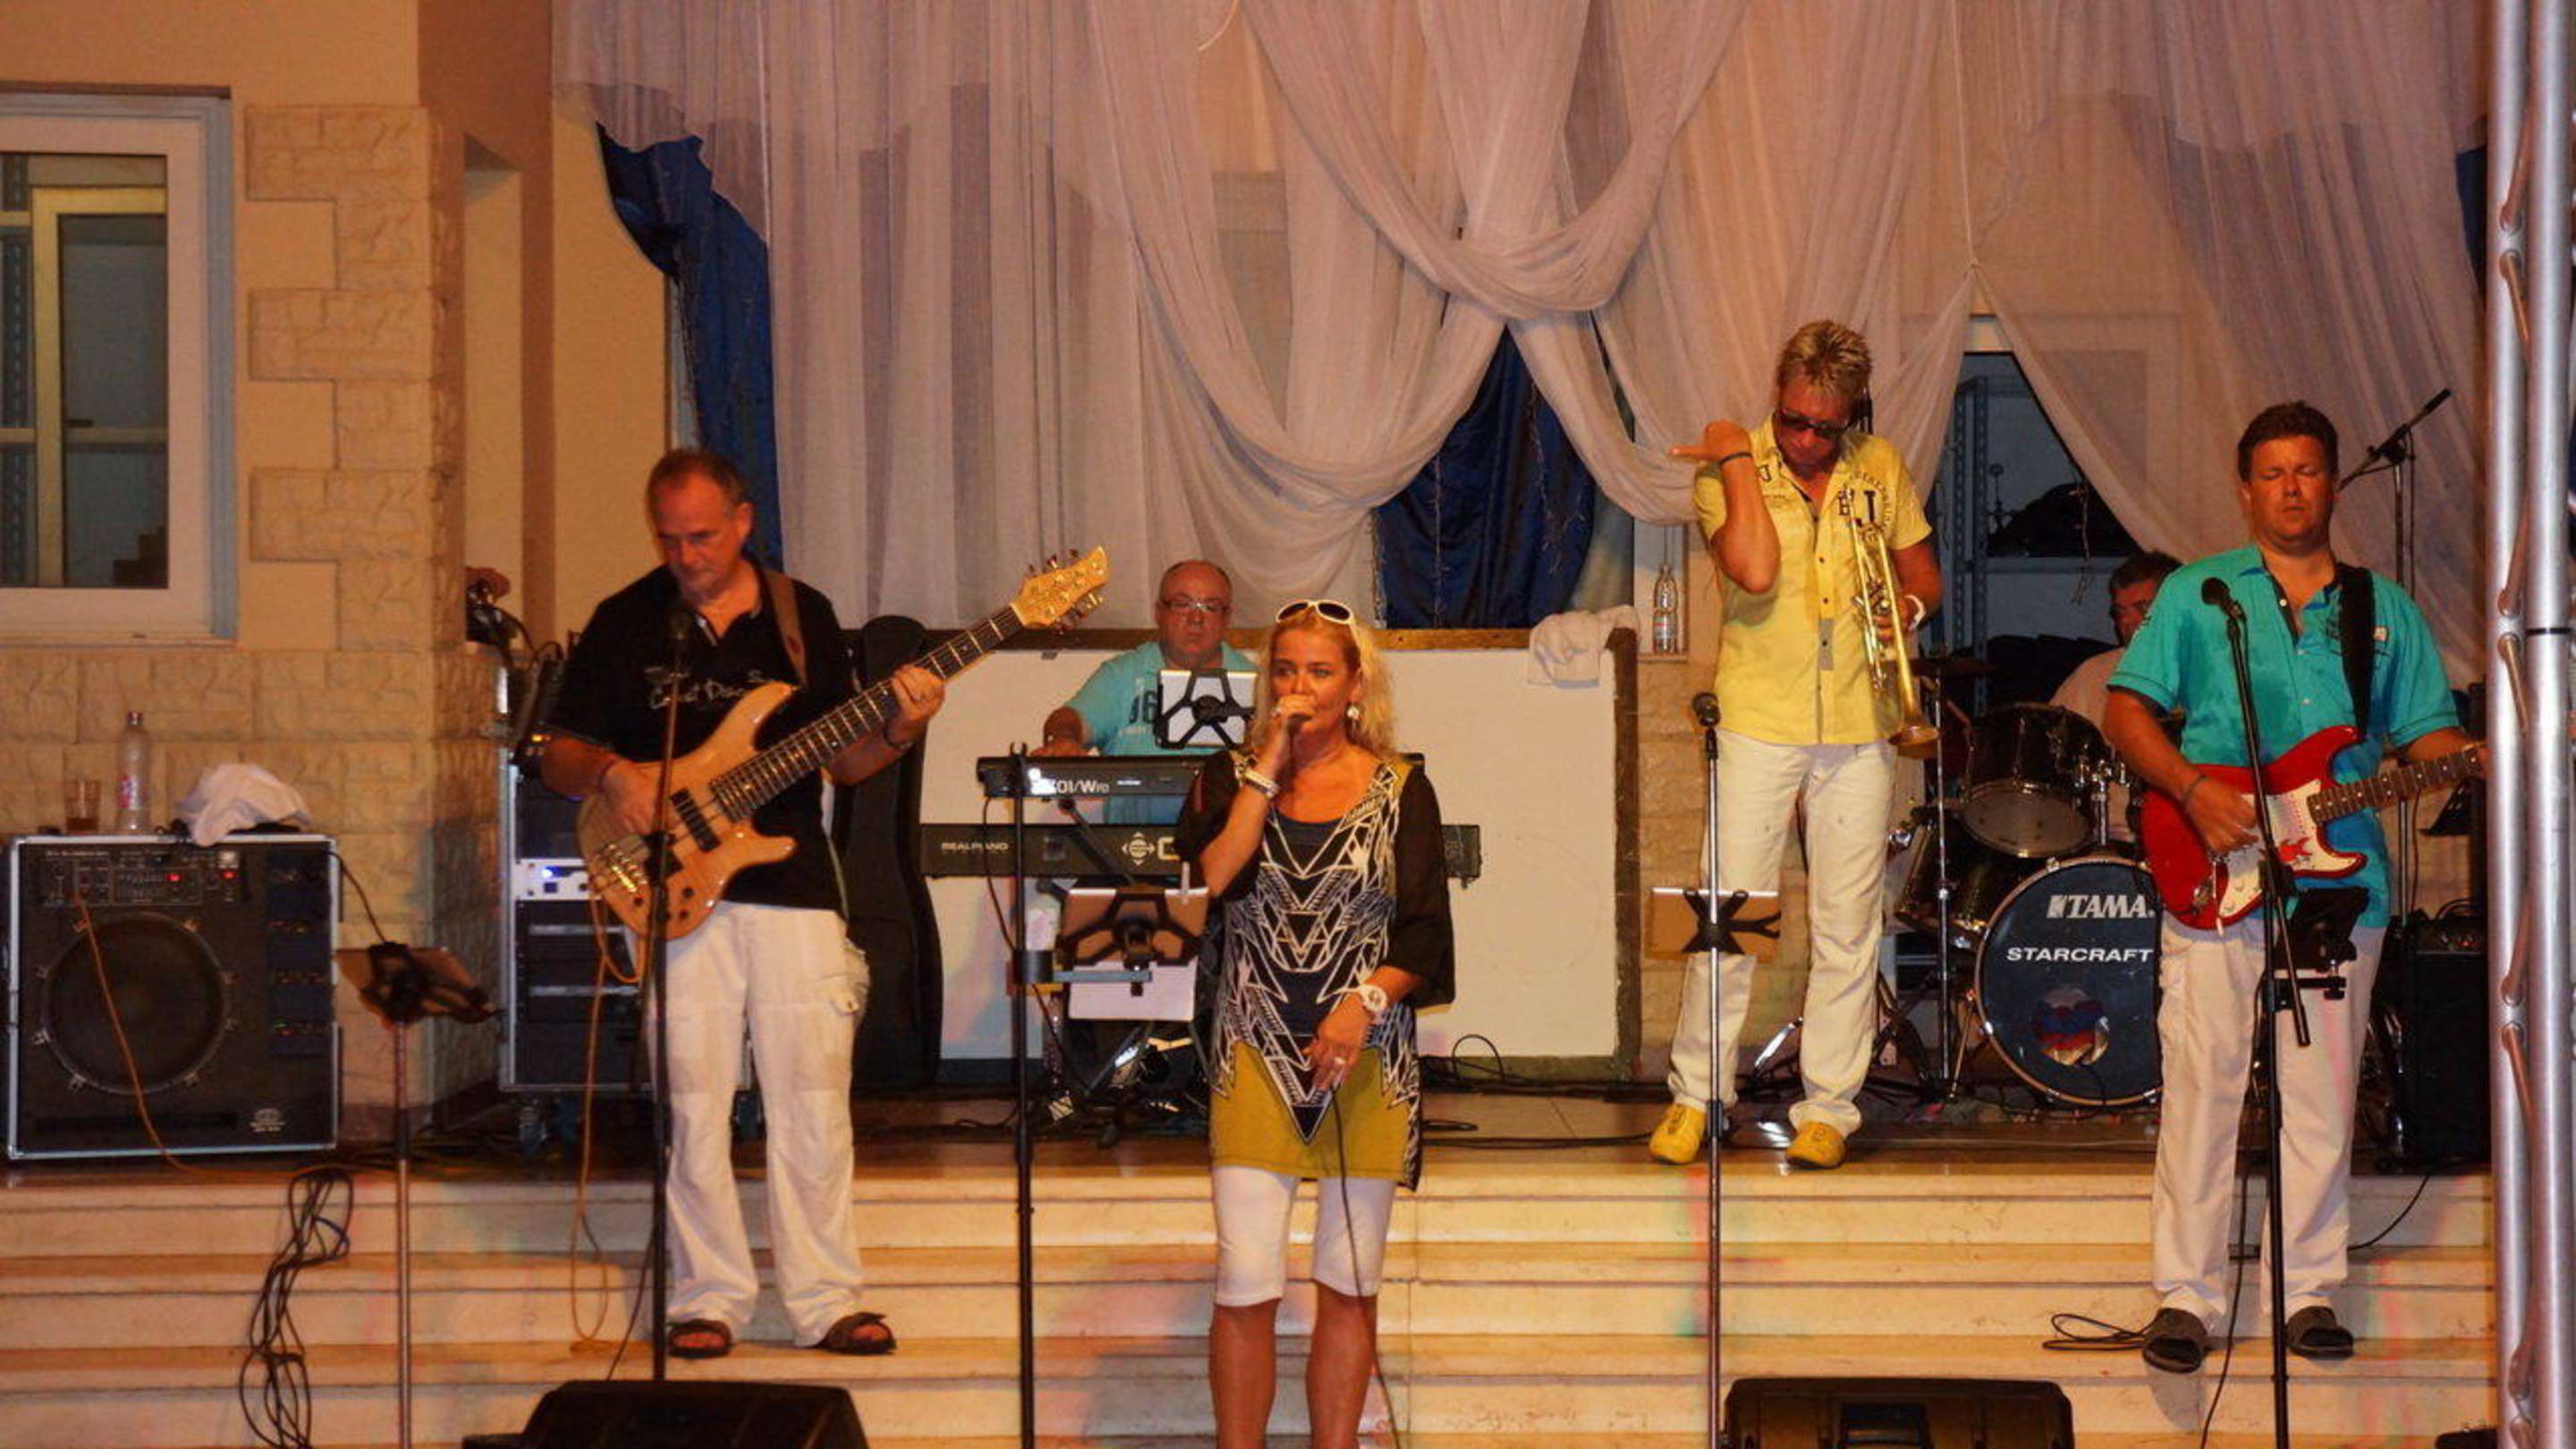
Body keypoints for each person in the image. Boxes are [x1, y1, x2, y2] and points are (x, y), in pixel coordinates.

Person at [540, 447, 946, 1361]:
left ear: (743, 521)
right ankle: (708, 1298)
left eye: (702, 537)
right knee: (692, 1102)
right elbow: (559, 754)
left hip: (791, 885)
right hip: (671, 887)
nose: (686, 556)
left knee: (813, 1100)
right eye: (669, 539)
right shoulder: (627, 619)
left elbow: (846, 762)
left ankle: (827, 1300)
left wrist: (901, 726)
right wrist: (612, 774)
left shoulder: (803, 617)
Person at [2102, 402, 2475, 1374]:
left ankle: (2307, 1292)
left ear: (2333, 483)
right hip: (2216, 862)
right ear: (2246, 489)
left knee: (2322, 1090)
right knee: (2204, 1081)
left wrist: (2480, 754)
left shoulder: (2382, 610)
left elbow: (2425, 736)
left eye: (2307, 470)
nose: (2292, 488)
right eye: (2273, 473)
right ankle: (2185, 1298)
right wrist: (2193, 791)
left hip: (2342, 882)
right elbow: (2126, 712)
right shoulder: (2200, 595)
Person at [1652, 320, 1943, 1171]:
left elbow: (1924, 576)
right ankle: (1697, 1095)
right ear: (1776, 400)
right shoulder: (1727, 464)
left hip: (1859, 721)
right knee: (1725, 914)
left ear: (1853, 414)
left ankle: (1830, 1107)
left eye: (1826, 426)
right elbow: (1753, 570)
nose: (1808, 441)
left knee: (1850, 925)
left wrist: (1908, 610)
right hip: (1758, 718)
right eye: (1792, 420)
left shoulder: (1879, 467)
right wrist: (1740, 460)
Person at [1174, 599, 1454, 1449]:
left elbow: (1425, 933)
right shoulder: (1226, 777)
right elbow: (1206, 887)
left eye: (1320, 671)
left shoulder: (1402, 787)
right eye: (1286, 670)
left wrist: (1363, 1003)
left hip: (1365, 1058)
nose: (1300, 687)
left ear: (1356, 685)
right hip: (1252, 1051)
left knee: (1348, 1281)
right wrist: (1264, 770)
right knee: (1245, 1281)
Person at [1037, 559, 1258, 825]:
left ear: (1227, 617)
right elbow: (1069, 719)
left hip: (1228, 845)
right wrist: (1063, 739)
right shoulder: (1122, 675)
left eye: (1210, 606)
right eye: (1182, 604)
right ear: (1159, 613)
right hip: (1133, 845)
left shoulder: (1256, 682)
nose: (1196, 618)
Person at [2049, 550, 2182, 844]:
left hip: (2197, 839)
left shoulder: (2214, 673)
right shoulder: (2094, 675)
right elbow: (2048, 755)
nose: (2128, 620)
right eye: (2121, 611)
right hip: (2111, 843)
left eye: (2143, 608)